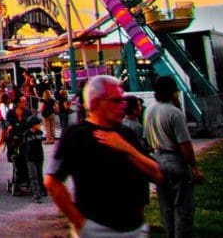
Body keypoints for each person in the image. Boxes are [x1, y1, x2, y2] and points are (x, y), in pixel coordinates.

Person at [45, 75, 161, 236]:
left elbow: (157, 173)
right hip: (98, 228)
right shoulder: (77, 135)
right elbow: (52, 181)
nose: (122, 106)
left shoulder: (126, 134)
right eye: (116, 101)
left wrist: (127, 148)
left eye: (123, 100)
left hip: (134, 228)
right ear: (95, 103)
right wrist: (79, 223)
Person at [144, 75, 203, 238]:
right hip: (174, 160)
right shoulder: (175, 113)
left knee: (166, 207)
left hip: (157, 159)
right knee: (182, 207)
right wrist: (194, 167)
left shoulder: (149, 110)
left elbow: (146, 139)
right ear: (173, 92)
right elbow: (184, 144)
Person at [24, 115, 47, 203]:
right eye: (38, 123)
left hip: (39, 156)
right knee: (33, 176)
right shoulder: (27, 134)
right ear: (33, 124)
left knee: (40, 175)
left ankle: (42, 190)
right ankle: (36, 195)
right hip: (30, 157)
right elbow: (24, 145)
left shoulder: (40, 133)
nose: (40, 125)